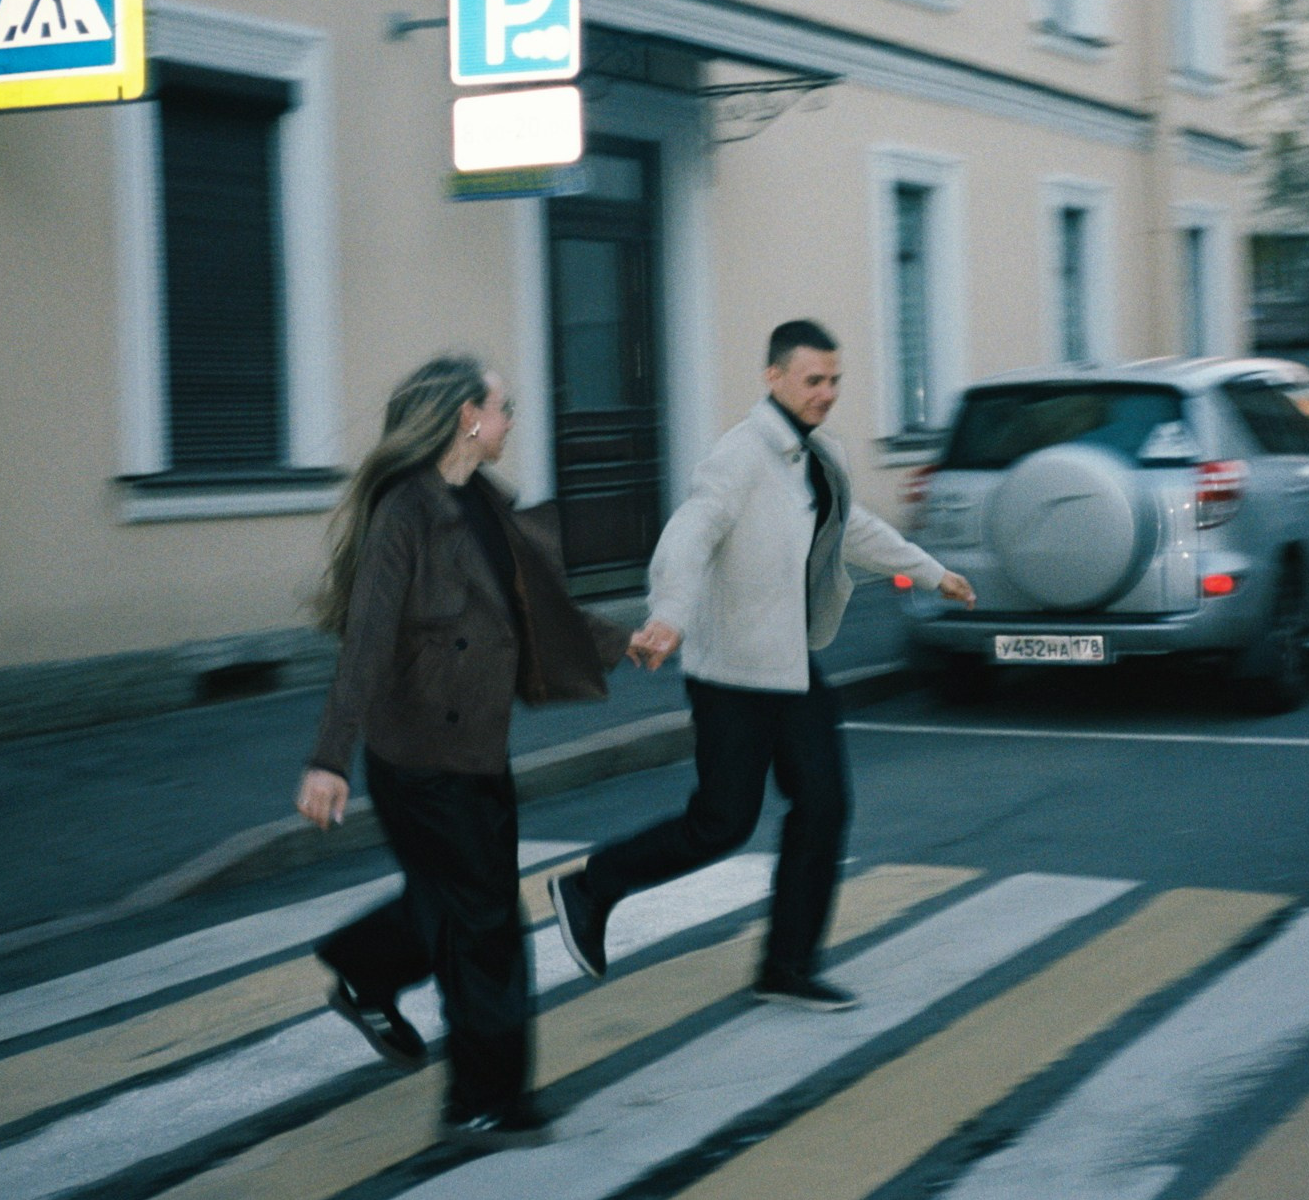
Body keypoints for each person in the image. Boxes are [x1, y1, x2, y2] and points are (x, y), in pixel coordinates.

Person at [548, 321, 974, 1011]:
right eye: (813, 380)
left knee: (824, 804)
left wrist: (931, 572)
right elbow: (690, 533)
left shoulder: (818, 453)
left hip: (791, 666)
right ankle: (591, 886)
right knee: (721, 823)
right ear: (772, 377)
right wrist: (668, 614)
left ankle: (787, 964)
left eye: (834, 380)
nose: (827, 393)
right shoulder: (738, 456)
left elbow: (851, 526)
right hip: (733, 675)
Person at [295, 353, 627, 1145]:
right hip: (418, 759)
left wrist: (629, 642)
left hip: (479, 751)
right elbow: (366, 643)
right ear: (465, 419)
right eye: (503, 407)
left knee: (453, 908)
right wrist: (328, 758)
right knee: (483, 925)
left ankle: (364, 968)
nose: (512, 420)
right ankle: (484, 1099)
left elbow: (540, 614)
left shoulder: (486, 504)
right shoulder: (404, 512)